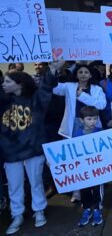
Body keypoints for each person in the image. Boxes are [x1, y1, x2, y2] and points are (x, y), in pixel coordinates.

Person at [0, 59, 64, 235]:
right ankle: (17, 215)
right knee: (14, 185)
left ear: (19, 84)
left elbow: (46, 88)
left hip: (33, 149)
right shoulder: (3, 102)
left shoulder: (35, 100)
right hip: (10, 152)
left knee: (36, 182)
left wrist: (52, 69)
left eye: (7, 82)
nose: (3, 85)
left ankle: (39, 210)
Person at [53, 63, 106, 202]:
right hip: (74, 125)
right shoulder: (69, 86)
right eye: (80, 72)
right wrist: (54, 69)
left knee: (91, 159)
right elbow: (54, 88)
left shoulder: (97, 88)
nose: (83, 74)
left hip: (92, 126)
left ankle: (94, 189)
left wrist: (81, 95)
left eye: (86, 72)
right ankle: (76, 191)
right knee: (75, 160)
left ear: (90, 75)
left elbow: (101, 105)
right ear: (76, 74)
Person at [74, 106, 104, 227]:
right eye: (89, 119)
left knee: (97, 189)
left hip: (98, 170)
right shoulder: (76, 135)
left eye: (95, 119)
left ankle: (97, 209)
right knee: (84, 190)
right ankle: (87, 209)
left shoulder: (100, 132)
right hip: (84, 171)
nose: (93, 122)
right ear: (82, 120)